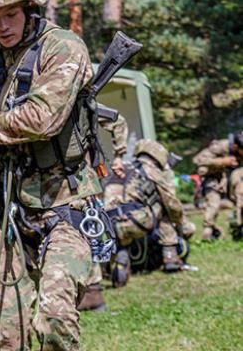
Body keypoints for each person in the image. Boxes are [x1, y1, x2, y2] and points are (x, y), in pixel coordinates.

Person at [0, 0, 106, 351]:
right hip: (14, 213)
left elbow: (43, 118)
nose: (2, 25)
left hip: (66, 206)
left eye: (10, 13)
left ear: (29, 9)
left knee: (53, 319)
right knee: (9, 334)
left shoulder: (63, 48)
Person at [104, 139, 186, 287]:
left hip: (110, 224)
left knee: (123, 237)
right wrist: (180, 223)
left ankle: (121, 260)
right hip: (137, 222)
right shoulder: (153, 172)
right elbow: (172, 204)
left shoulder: (123, 167)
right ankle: (170, 257)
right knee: (165, 208)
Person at [78, 112, 129, 311]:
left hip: (82, 180)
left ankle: (93, 292)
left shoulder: (77, 98)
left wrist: (119, 156)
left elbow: (118, 120)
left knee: (86, 230)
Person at [192, 131, 242, 240]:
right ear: (235, 146)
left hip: (233, 180)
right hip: (213, 178)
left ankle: (238, 227)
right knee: (213, 204)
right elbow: (198, 160)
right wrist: (222, 161)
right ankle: (208, 231)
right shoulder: (220, 146)